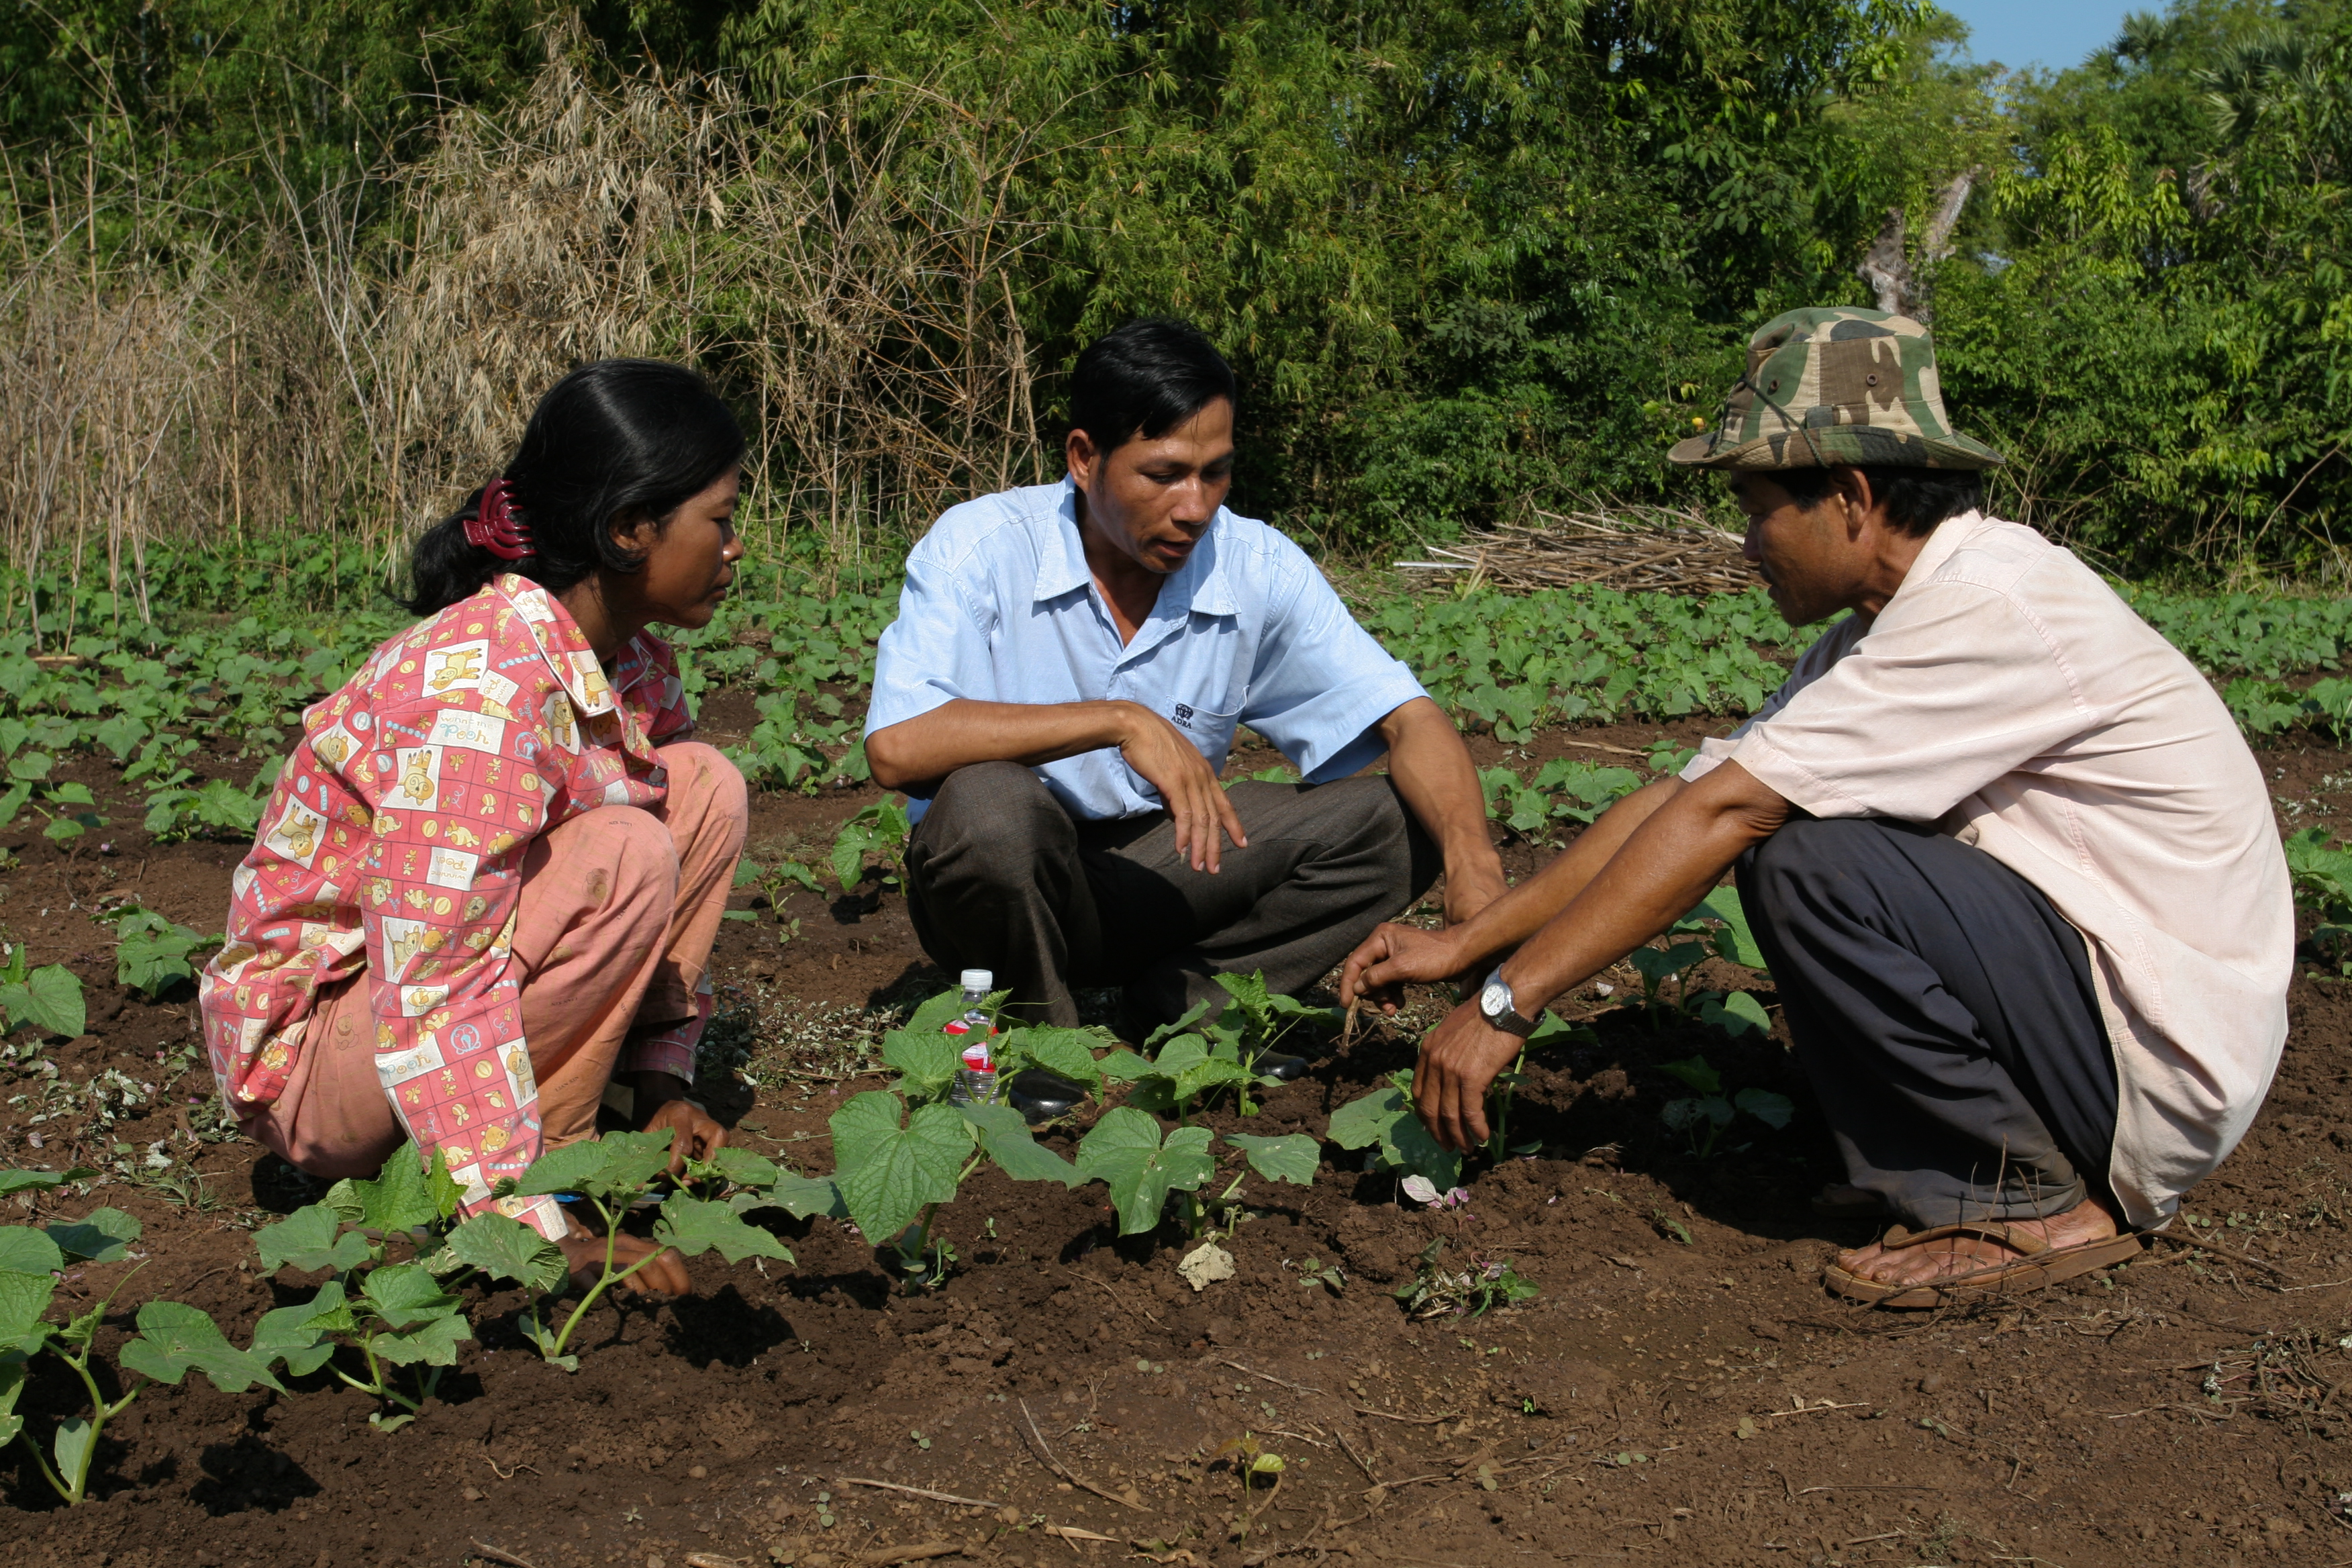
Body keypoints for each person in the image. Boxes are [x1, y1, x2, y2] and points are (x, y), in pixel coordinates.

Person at [1341, 307, 2292, 1308]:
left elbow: (1726, 818)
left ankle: (2027, 1204)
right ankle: (1955, 1165)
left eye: (1758, 509)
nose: (1748, 543)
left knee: (1811, 863)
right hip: (2098, 1005)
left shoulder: (1989, 608)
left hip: (2158, 1059)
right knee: (1795, 838)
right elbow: (1686, 796)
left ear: (1849, 497)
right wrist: (1463, 946)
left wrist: (1507, 1005)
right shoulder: (1888, 623)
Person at [201, 359, 752, 1296]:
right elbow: (433, 979)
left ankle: (598, 1109)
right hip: (322, 1059)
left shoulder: (630, 660)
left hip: (413, 1011)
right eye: (722, 519)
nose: (736, 548)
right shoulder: (479, 692)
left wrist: (665, 1083)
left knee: (701, 787)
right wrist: (528, 1225)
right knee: (627, 846)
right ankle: (541, 1164)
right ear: (628, 530)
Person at [863, 317, 1504, 1047]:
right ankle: (1037, 1035)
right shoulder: (981, 548)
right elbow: (897, 745)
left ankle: (1187, 1004)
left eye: (1216, 472)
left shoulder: (1256, 564)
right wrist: (1119, 720)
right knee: (988, 807)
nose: (1196, 506)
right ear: (1084, 457)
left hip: (1165, 870)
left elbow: (1407, 718)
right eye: (1164, 474)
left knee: (1401, 819)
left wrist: (1473, 866)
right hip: (1002, 881)